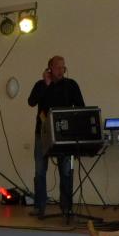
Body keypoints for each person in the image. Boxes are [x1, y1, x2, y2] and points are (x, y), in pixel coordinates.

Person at [27, 55, 85, 218]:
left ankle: (66, 207)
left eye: (63, 67)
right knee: (40, 171)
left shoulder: (71, 85)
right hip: (43, 134)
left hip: (64, 135)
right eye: (58, 67)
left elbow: (81, 107)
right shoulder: (41, 85)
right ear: (49, 69)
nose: (61, 70)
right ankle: (39, 207)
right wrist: (46, 84)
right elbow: (31, 102)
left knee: (66, 171)